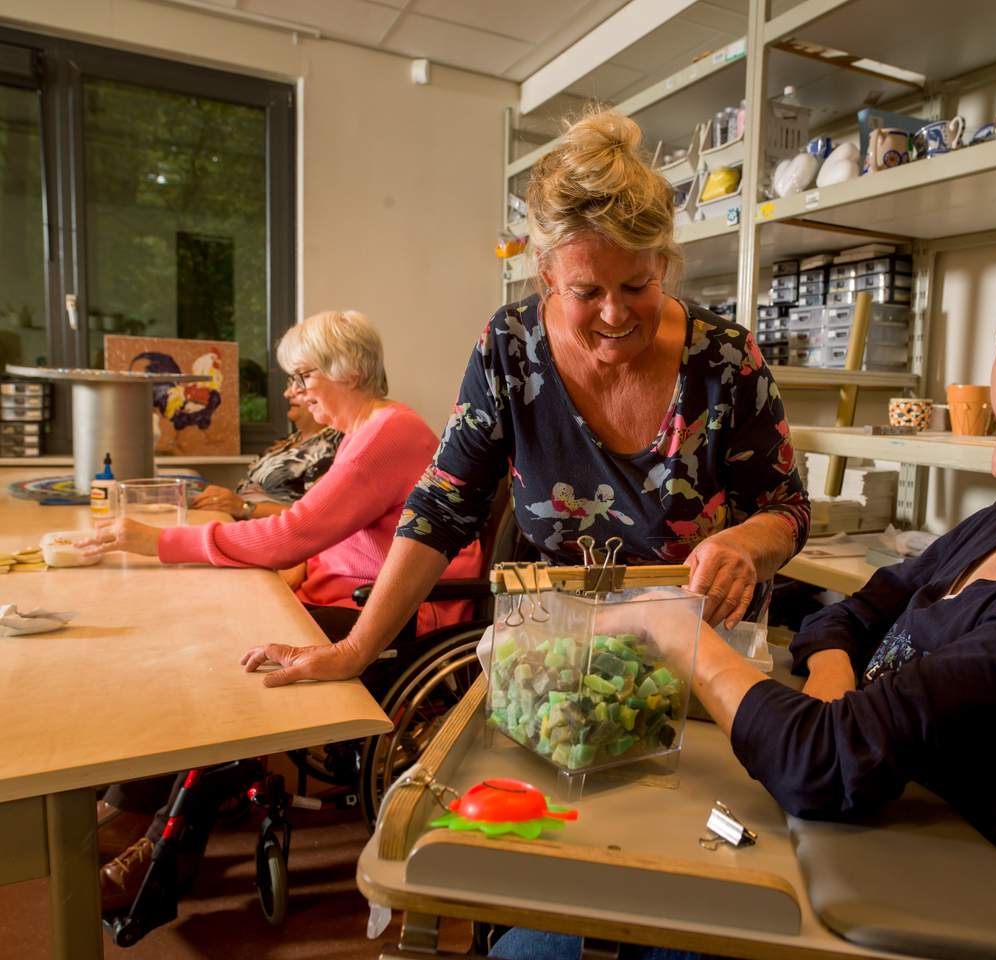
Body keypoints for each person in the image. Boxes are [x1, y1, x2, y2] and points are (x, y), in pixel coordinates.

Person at [488, 234, 996, 960]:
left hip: (858, 871)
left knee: (534, 943)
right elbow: (856, 611)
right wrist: (829, 677)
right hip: (800, 809)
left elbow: (828, 762)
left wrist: (675, 633)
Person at [239, 108, 810, 688]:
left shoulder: (726, 358)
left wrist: (745, 543)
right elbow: (443, 508)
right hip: (565, 657)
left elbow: (787, 508)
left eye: (637, 286)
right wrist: (355, 649)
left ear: (662, 261)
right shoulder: (511, 346)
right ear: (545, 274)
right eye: (586, 291)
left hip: (703, 658)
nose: (615, 314)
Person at [83, 309, 484, 911]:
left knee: (226, 653)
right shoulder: (366, 431)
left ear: (346, 370)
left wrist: (157, 541)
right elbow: (314, 535)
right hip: (344, 594)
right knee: (213, 624)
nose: (294, 392)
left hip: (399, 617)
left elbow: (292, 534)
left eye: (303, 377)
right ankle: (135, 804)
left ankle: (164, 848)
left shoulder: (390, 433)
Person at [191, 377, 343, 521]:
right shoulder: (289, 440)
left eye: (299, 385)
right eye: (290, 385)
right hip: (241, 524)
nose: (288, 393)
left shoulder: (333, 446)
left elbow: (315, 516)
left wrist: (242, 507)